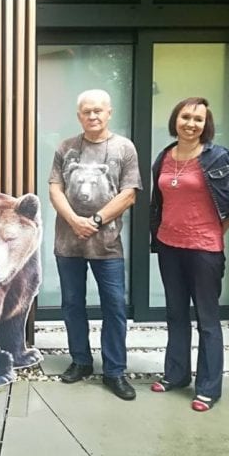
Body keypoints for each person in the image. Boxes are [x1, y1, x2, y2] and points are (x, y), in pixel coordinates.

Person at [149, 97, 229, 412]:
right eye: (185, 117)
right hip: (168, 245)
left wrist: (212, 235)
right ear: (175, 119)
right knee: (176, 314)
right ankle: (176, 375)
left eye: (198, 119)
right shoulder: (164, 157)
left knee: (207, 320)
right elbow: (160, 201)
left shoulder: (219, 158)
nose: (191, 123)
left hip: (204, 249)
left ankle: (208, 387)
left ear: (207, 125)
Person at [49, 89, 142, 401]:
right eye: (87, 111)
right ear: (79, 116)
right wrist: (75, 221)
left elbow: (129, 193)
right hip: (68, 241)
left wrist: (97, 221)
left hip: (107, 243)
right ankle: (81, 361)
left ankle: (115, 370)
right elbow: (55, 189)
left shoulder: (124, 148)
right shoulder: (66, 148)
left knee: (114, 306)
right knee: (72, 303)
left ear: (109, 113)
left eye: (98, 111)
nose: (93, 116)